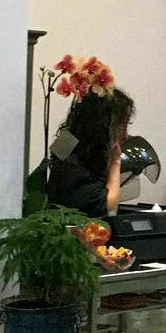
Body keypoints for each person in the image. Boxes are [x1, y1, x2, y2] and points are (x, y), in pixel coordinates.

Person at [43, 60, 134, 219]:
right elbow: (107, 203)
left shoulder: (67, 141)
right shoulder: (77, 165)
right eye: (122, 125)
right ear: (105, 125)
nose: (125, 134)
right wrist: (115, 162)